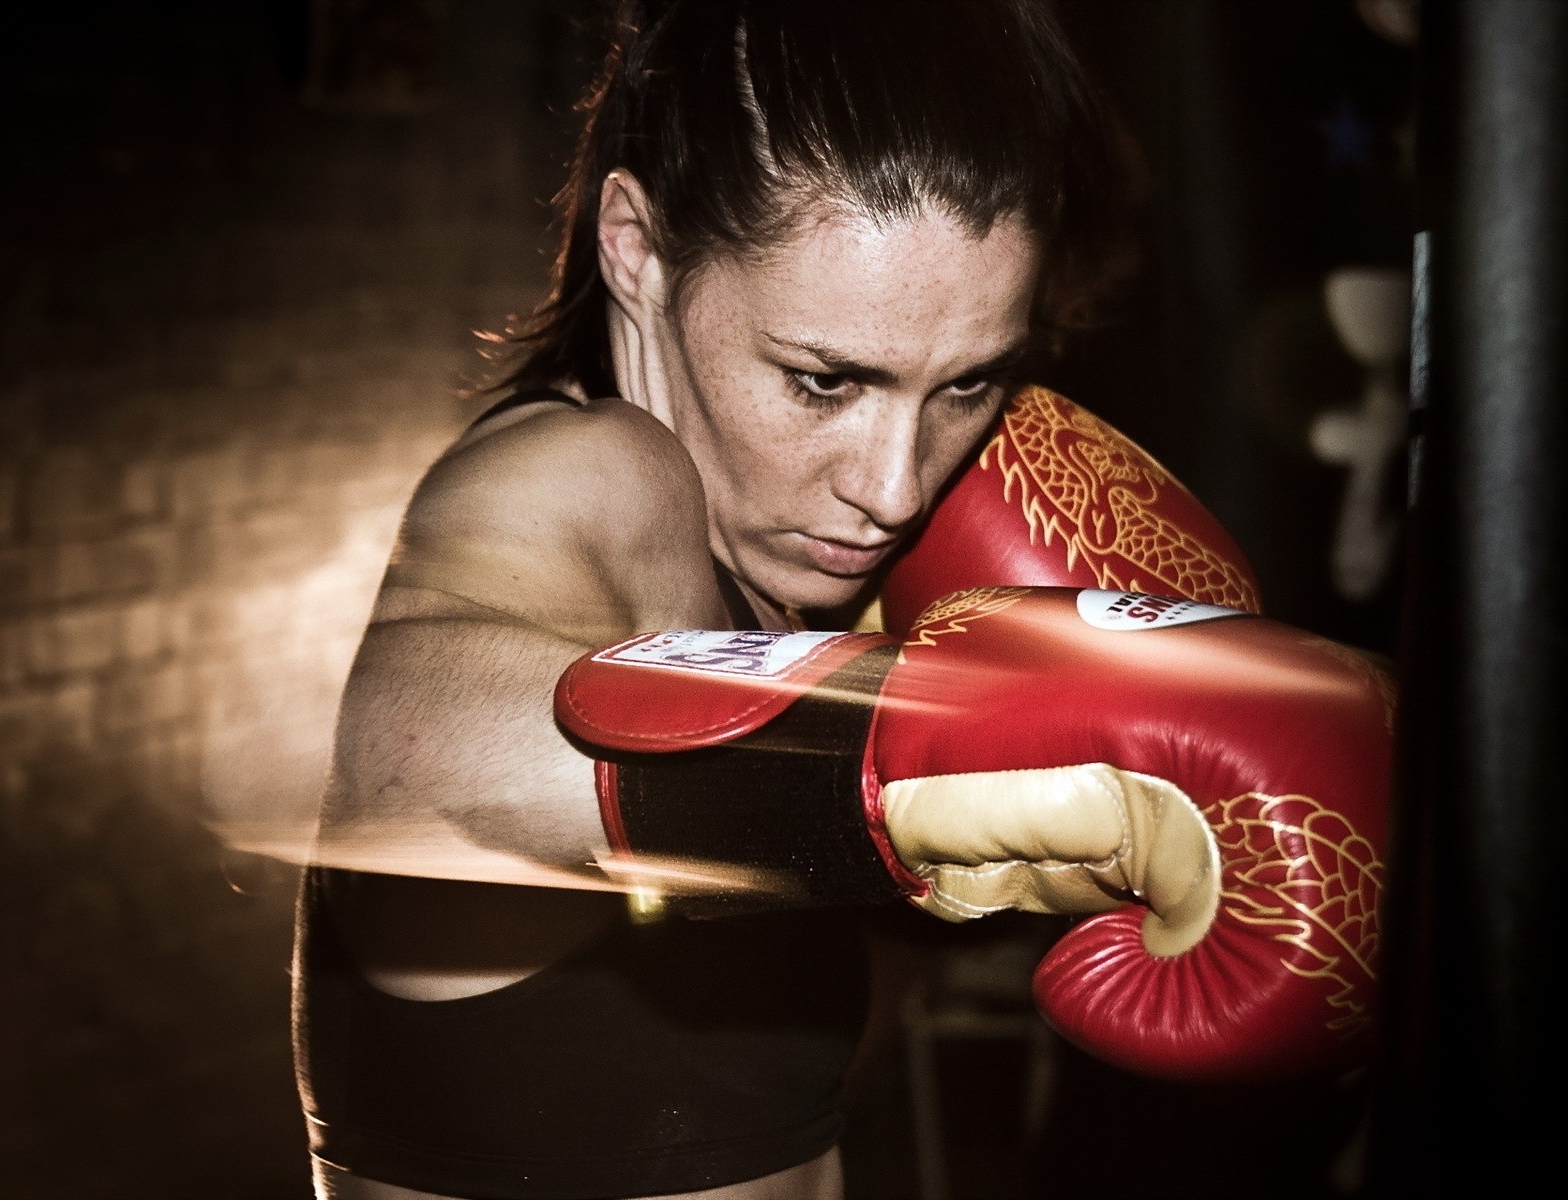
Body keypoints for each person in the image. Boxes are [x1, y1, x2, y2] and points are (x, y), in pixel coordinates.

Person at [293, 2, 1130, 1197]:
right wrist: (960, 747)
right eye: (823, 380)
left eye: (969, 383)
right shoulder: (597, 477)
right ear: (635, 248)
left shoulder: (802, 602)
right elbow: (401, 752)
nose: (893, 487)